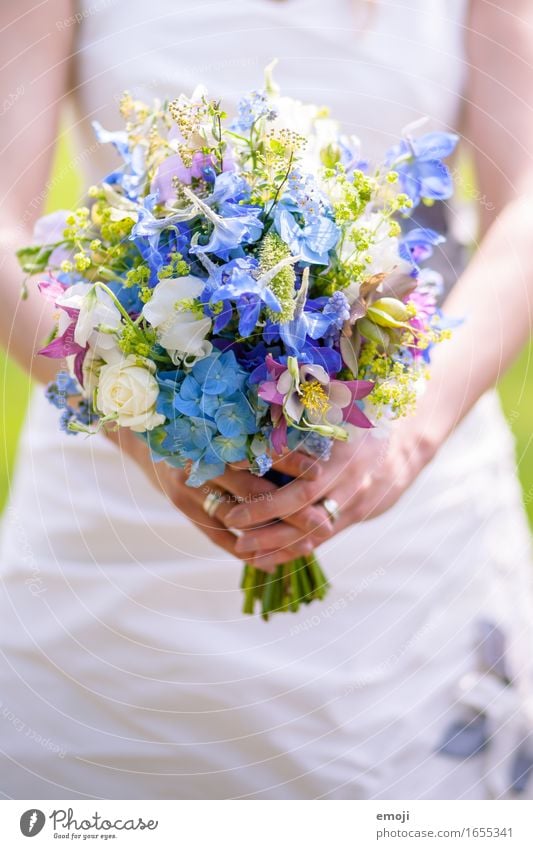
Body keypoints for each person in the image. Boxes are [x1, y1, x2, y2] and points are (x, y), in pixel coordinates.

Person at [1, 0, 533, 800]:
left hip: (409, 502)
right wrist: (142, 428)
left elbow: (525, 200)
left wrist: (406, 439)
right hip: (116, 515)